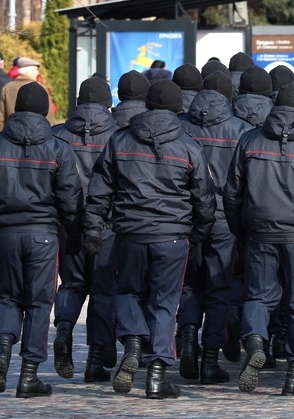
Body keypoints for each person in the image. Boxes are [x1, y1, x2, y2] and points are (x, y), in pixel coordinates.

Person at [83, 80, 215, 400]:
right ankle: (156, 374)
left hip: (130, 233)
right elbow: (204, 198)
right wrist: (198, 234)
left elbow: (100, 190)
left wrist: (93, 227)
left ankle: (132, 341)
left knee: (128, 292)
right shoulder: (189, 145)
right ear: (178, 109)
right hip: (172, 236)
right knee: (164, 303)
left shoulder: (120, 140)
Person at [0, 82, 83, 397]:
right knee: (39, 303)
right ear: (45, 110)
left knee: (10, 298)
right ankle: (29, 376)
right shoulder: (58, 148)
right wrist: (75, 237)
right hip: (44, 236)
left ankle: (2, 348)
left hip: (6, 235)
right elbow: (70, 200)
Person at [225, 84, 294, 396]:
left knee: (258, 296)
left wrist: (241, 230)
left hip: (259, 231)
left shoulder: (249, 140)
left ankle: (255, 340)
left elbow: (232, 193)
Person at [177, 71, 253, 384]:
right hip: (223, 218)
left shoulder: (180, 125)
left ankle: (188, 339)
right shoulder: (241, 130)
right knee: (219, 288)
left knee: (190, 284)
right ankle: (210, 359)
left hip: (187, 217)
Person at [50, 77, 120, 383]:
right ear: (109, 104)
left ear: (78, 102)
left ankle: (64, 329)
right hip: (107, 224)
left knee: (71, 285)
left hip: (70, 223)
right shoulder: (120, 136)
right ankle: (94, 360)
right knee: (103, 291)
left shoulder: (57, 135)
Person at [0, 57, 55, 132]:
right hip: (39, 134)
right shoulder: (41, 88)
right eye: (35, 70)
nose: (37, 73)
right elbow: (49, 117)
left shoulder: (7, 88)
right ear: (28, 72)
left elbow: (0, 119)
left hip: (12, 133)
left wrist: (1, 136)